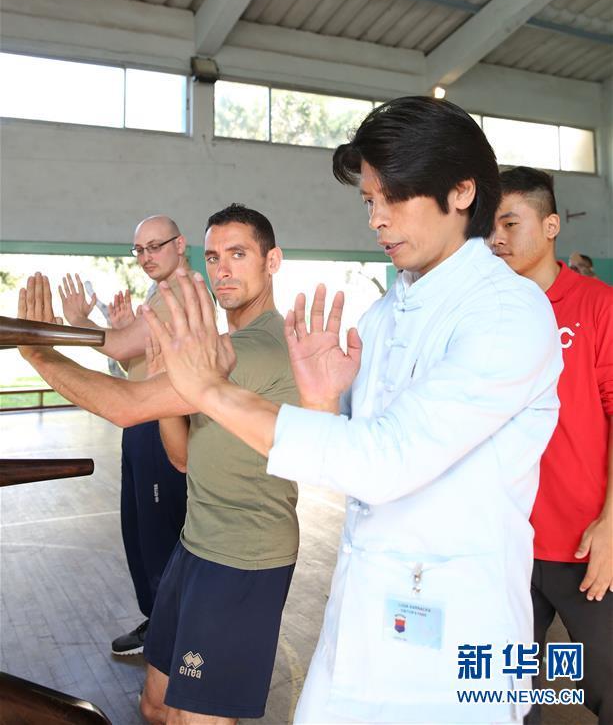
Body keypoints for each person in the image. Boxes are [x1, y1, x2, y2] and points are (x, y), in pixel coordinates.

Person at [142, 97, 563, 725]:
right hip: (363, 610)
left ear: (462, 191)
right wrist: (322, 402)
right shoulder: (384, 315)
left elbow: (385, 463)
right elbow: (341, 459)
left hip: (455, 629)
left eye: (395, 197)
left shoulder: (508, 314)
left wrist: (210, 391)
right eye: (369, 201)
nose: (377, 219)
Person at [18, 204, 299, 725]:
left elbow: (126, 406)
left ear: (272, 261)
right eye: (214, 257)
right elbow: (182, 457)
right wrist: (171, 382)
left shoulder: (254, 349)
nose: (222, 270)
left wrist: (39, 353)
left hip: (241, 559)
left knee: (195, 718)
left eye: (238, 255)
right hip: (196, 547)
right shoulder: (218, 349)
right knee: (155, 705)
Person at [491, 166, 613, 724]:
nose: (496, 238)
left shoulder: (596, 305)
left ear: (551, 226)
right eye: (489, 226)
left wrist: (611, 524)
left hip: (585, 546)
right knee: (499, 697)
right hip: (504, 544)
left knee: (604, 685)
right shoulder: (487, 314)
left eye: (510, 223)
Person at [58, 215, 189, 656]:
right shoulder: (158, 292)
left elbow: (116, 345)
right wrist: (122, 331)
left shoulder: (179, 292)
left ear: (179, 245)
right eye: (140, 249)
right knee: (138, 528)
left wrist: (80, 321)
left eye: (156, 246)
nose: (146, 256)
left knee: (158, 532)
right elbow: (132, 364)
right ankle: (158, 619)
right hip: (141, 418)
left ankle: (169, 631)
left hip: (161, 422)